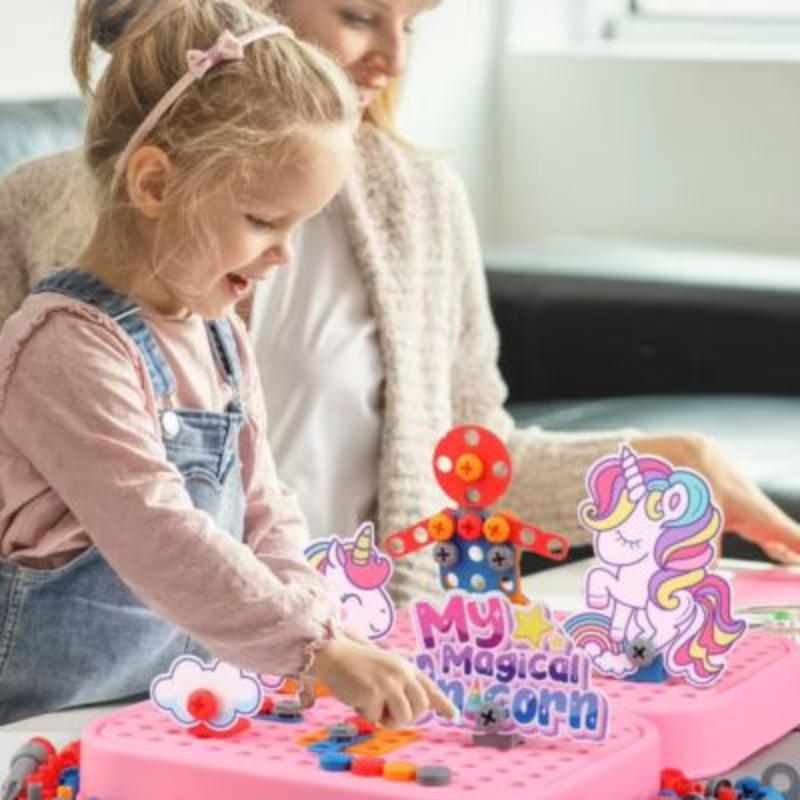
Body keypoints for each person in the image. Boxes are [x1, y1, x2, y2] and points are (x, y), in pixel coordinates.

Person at [0, 2, 798, 613]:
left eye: (412, 21)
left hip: (354, 678)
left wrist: (674, 464)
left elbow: (468, 464)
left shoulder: (419, 201)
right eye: (358, 14)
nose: (393, 57)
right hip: (123, 692)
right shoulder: (44, 211)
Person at [0, 0, 453, 726]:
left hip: (152, 710)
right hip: (34, 726)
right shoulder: (63, 349)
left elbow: (266, 508)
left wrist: (321, 627)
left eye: (297, 225)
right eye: (263, 221)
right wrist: (314, 652)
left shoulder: (220, 337)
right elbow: (159, 532)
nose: (283, 253)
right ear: (154, 184)